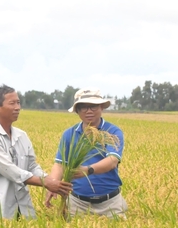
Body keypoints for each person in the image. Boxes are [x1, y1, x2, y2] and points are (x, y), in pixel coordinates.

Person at [0, 85, 72, 219]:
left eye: (18, 102)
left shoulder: (22, 136)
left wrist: (51, 181)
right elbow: (11, 171)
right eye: (12, 103)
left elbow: (32, 166)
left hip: (23, 209)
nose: (17, 107)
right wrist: (47, 183)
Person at [45, 88, 127, 218]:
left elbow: (112, 160)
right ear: (77, 111)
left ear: (101, 107)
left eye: (93, 106)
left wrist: (88, 170)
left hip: (110, 203)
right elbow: (60, 163)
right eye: (83, 107)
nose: (89, 111)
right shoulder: (69, 134)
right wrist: (53, 183)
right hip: (77, 203)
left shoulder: (112, 132)